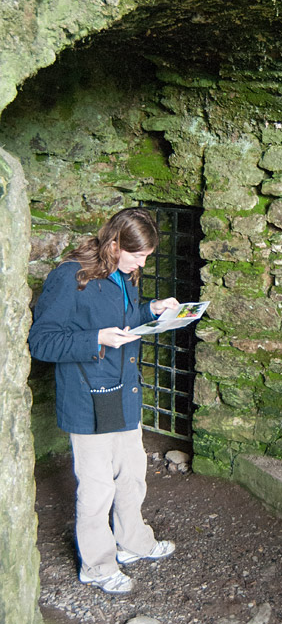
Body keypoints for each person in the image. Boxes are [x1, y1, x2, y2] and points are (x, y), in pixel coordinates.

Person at [29, 208, 179, 594]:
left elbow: (123, 321)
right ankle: (96, 565)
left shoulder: (123, 273)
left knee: (132, 475)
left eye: (146, 257)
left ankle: (133, 543)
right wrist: (95, 338)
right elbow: (41, 341)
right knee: (96, 489)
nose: (141, 264)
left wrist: (151, 311)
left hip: (123, 390)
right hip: (87, 394)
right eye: (138, 256)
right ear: (114, 244)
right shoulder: (71, 277)